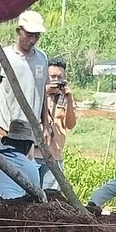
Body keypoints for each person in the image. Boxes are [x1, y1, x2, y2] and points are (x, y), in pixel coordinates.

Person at [0, 10, 48, 145]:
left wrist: (46, 125)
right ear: (19, 31)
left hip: (28, 132)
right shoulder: (4, 56)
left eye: (37, 36)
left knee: (22, 165)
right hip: (3, 126)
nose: (32, 40)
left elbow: (42, 94)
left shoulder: (42, 59)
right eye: (29, 35)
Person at [35, 56, 76, 190]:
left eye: (60, 77)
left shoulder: (65, 98)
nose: (56, 81)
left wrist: (69, 99)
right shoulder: (35, 93)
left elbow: (70, 125)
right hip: (34, 155)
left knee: (51, 199)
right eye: (52, 77)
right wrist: (43, 93)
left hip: (54, 156)